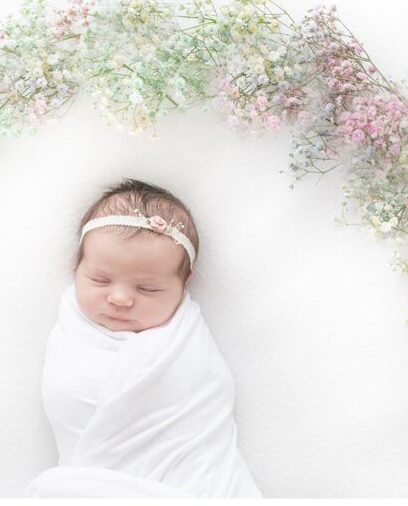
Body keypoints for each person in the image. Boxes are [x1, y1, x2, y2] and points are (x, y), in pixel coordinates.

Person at [28, 178, 261, 497]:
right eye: (100, 279)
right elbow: (67, 394)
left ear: (185, 282)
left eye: (148, 289)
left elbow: (203, 401)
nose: (120, 298)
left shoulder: (185, 340)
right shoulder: (73, 331)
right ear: (76, 267)